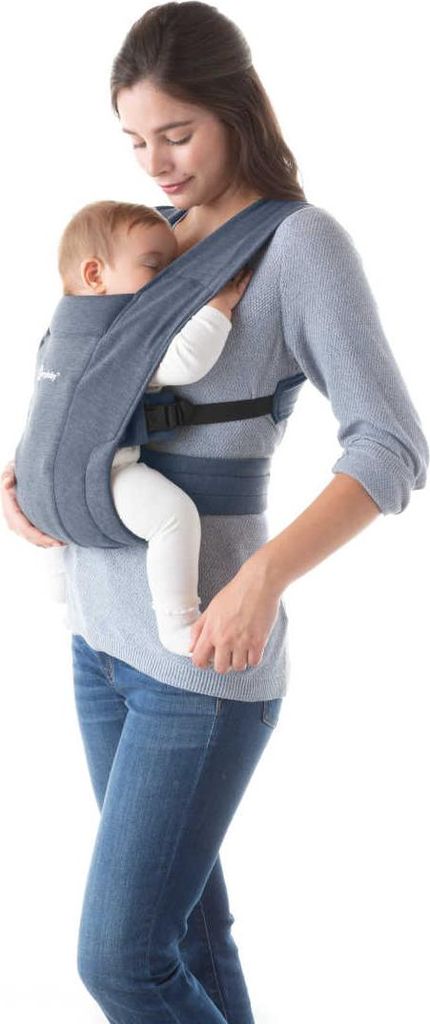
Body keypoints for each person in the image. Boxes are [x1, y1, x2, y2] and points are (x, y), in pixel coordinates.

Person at [1, 3, 428, 1022]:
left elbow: (391, 445)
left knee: (120, 961)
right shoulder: (145, 238)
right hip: (99, 638)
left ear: (236, 108)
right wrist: (28, 472)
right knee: (187, 936)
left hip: (202, 653)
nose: (157, 163)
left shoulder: (297, 245)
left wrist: (262, 580)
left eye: (177, 133)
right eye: (135, 140)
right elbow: (88, 391)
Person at [41, 198, 252, 656]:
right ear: (95, 275)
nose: (169, 281)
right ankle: (177, 624)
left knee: (63, 523)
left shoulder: (60, 332)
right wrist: (219, 305)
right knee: (174, 516)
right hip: (101, 474)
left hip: (44, 479)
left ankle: (64, 590)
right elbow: (185, 362)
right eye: (156, 267)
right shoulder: (115, 336)